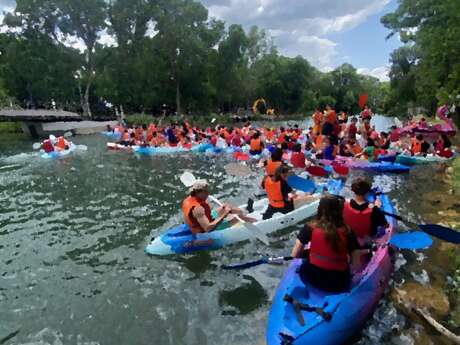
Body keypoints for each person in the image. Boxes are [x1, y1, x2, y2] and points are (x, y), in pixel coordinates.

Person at [291, 195, 360, 292]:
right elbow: (356, 264)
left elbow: (295, 254)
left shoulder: (309, 228)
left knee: (305, 262)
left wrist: (309, 254)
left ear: (319, 209)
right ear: (340, 210)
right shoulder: (348, 232)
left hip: (311, 277)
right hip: (337, 282)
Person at [182, 180, 254, 234]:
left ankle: (245, 212)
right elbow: (208, 228)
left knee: (228, 206)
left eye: (208, 191)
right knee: (241, 218)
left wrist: (225, 210)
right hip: (203, 231)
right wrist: (224, 214)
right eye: (205, 192)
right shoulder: (198, 209)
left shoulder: (190, 198)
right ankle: (258, 222)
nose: (208, 193)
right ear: (198, 192)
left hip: (203, 220)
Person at [343, 178, 388, 246]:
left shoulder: (345, 204)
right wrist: (377, 208)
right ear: (368, 192)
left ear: (353, 191)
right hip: (368, 237)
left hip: (352, 235)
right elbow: (385, 225)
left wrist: (374, 206)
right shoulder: (373, 209)